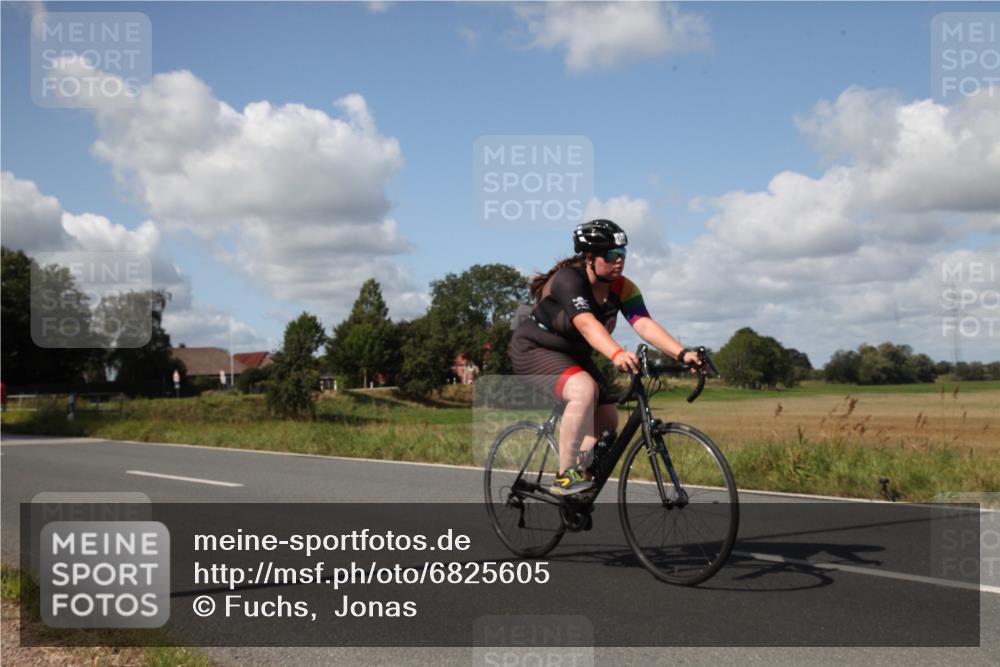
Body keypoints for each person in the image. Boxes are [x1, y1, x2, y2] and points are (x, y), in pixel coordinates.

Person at [509, 219, 702, 495]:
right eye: (611, 255)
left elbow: (644, 324)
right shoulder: (569, 280)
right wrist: (617, 353)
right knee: (583, 390)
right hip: (535, 348)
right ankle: (565, 475)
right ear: (589, 258)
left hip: (573, 355)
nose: (619, 261)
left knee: (608, 418)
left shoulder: (623, 288)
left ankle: (580, 477)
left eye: (622, 254)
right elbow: (586, 324)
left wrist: (683, 354)